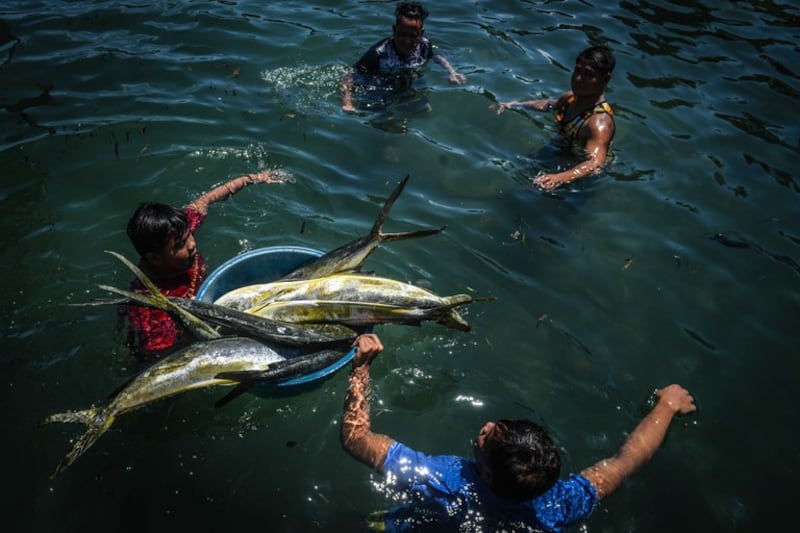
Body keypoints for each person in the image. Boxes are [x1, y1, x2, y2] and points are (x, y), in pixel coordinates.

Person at [342, 333, 697, 532]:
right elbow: (626, 462)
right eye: (499, 427)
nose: (486, 426)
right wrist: (666, 408)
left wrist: (361, 371)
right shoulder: (559, 504)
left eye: (487, 439)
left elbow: (356, 440)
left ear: (486, 472)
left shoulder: (444, 481)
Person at [121, 169, 290, 359]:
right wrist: (191, 321)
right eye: (180, 245)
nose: (192, 244)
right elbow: (162, 356)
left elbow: (205, 200)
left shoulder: (176, 230)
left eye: (189, 235)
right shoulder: (148, 304)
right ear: (154, 258)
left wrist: (252, 178)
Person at [496, 46, 616, 191]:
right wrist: (514, 105)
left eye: (588, 74)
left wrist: (559, 178)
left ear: (605, 79)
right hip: (560, 155)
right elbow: (548, 105)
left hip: (580, 180)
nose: (579, 79)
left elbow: (595, 164)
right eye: (578, 71)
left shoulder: (598, 123)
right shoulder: (570, 98)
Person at [340, 2, 466, 113]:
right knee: (385, 121)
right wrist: (347, 103)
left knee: (425, 110)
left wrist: (452, 72)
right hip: (380, 88)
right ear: (394, 31)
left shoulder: (424, 45)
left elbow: (436, 57)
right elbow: (349, 75)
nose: (407, 40)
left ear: (421, 34)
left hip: (407, 82)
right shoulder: (379, 53)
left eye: (413, 36)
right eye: (402, 34)